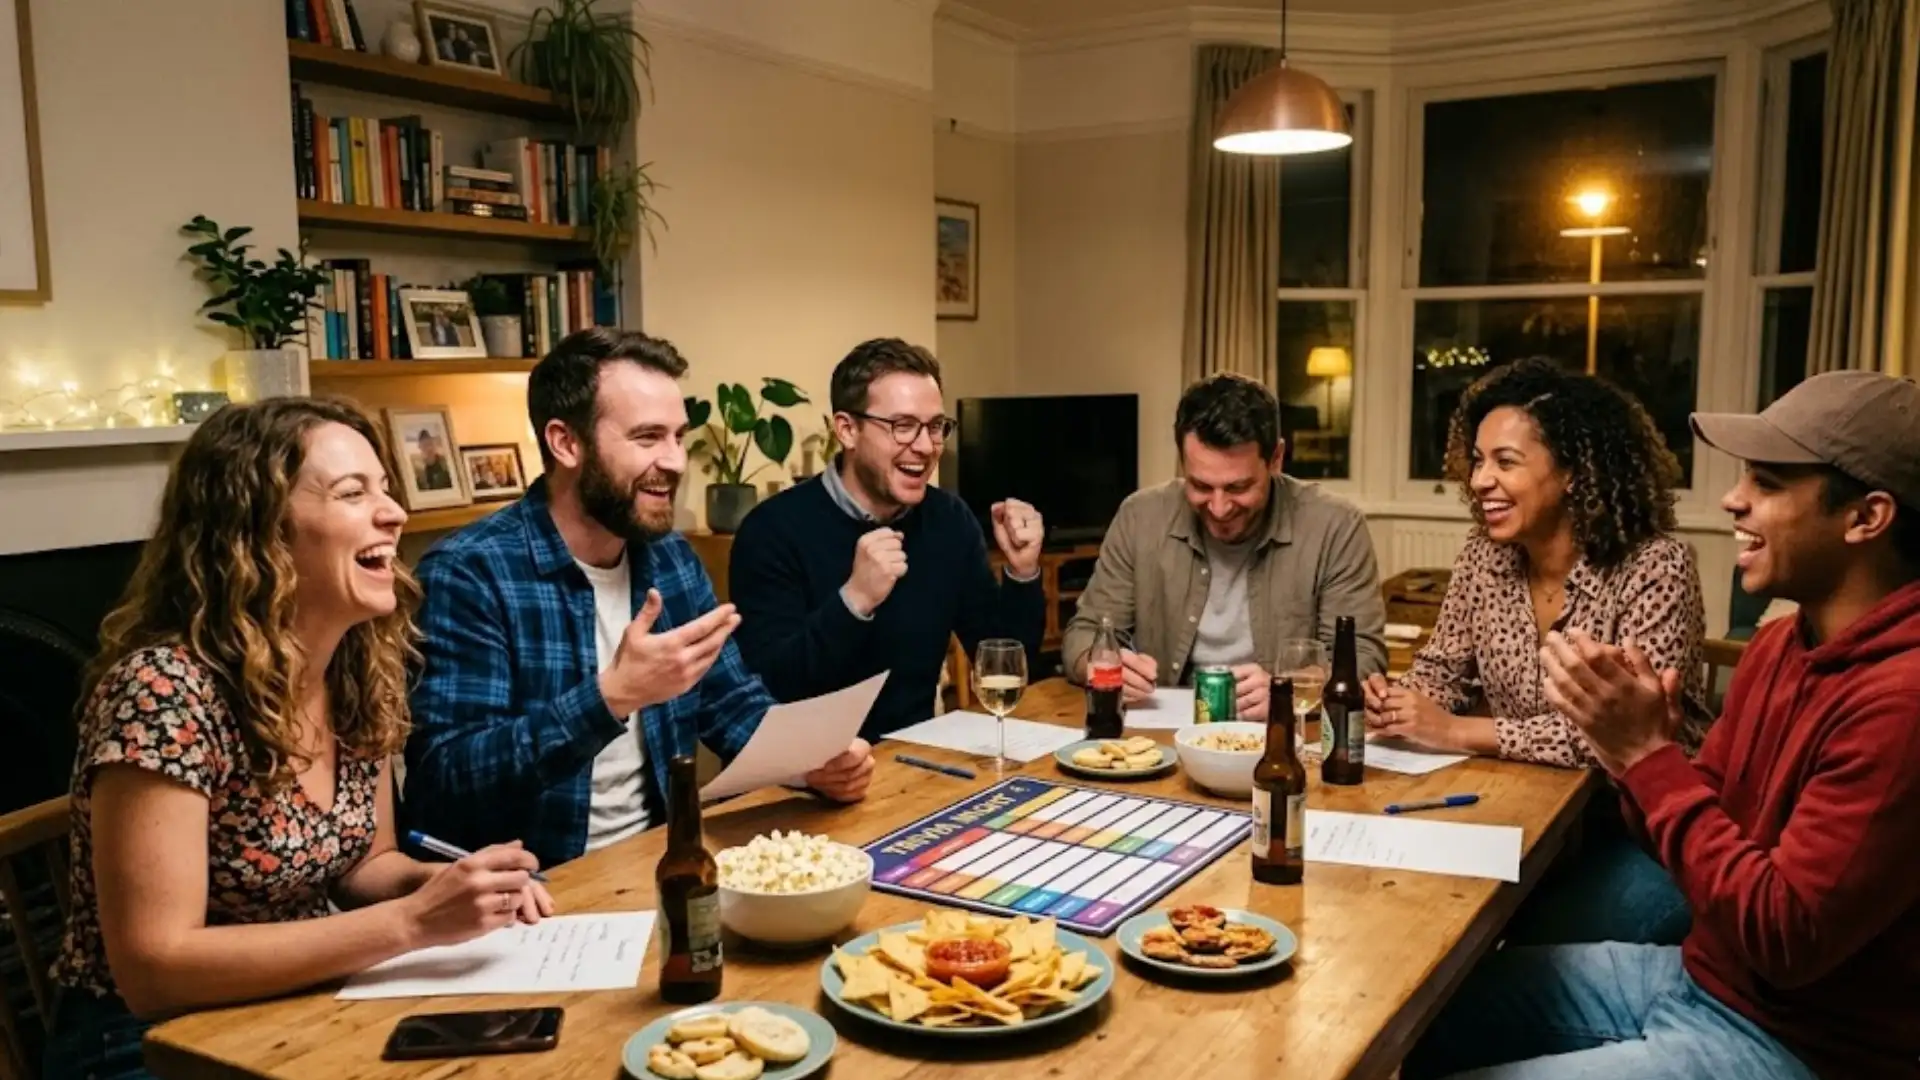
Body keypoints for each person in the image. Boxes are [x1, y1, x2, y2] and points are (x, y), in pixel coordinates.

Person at [1406, 370, 1920, 1080]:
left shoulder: (1901, 702)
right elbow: (1697, 831)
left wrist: (1648, 758)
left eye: (1768, 483)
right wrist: (1641, 763)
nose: (1733, 499)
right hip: (1704, 979)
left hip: (1797, 1041)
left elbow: (1784, 938)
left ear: (1866, 517)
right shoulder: (1779, 644)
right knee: (1426, 1015)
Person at [41, 400, 550, 1080]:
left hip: (295, 1005)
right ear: (259, 532)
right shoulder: (164, 692)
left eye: (385, 489)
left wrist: (446, 885)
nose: (394, 513)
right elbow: (154, 969)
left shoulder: (354, 667)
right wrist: (412, 923)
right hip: (146, 1042)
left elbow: (367, 864)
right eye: (353, 493)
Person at [404, 329, 875, 871]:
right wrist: (611, 697)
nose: (675, 461)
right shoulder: (470, 573)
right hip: (532, 886)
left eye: (678, 436)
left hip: (660, 860)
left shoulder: (670, 557)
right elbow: (449, 777)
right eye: (648, 437)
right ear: (566, 443)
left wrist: (811, 763)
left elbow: (729, 703)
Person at [1365, 358, 1710, 946]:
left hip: (1629, 830)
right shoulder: (1484, 555)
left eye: (1505, 462)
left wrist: (1456, 731)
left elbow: (1618, 736)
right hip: (1517, 811)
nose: (1480, 480)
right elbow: (1443, 667)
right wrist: (1399, 702)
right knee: (1401, 902)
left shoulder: (1655, 567)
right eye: (1478, 460)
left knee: (1485, 936)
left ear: (1573, 472)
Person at [728, 338, 1045, 740]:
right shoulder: (771, 531)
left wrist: (1022, 574)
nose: (926, 447)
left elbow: (1005, 666)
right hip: (810, 764)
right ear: (847, 430)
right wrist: (855, 600)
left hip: (916, 757)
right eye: (902, 426)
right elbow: (772, 691)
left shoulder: (950, 521)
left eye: (935, 427)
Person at [1063, 372, 1387, 720]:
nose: (1219, 508)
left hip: (1280, 731)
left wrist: (1290, 690)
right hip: (1164, 731)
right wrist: (1099, 665)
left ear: (1276, 458)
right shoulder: (1140, 516)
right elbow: (1083, 634)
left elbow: (1362, 657)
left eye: (1238, 488)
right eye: (1201, 486)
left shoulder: (1336, 525)